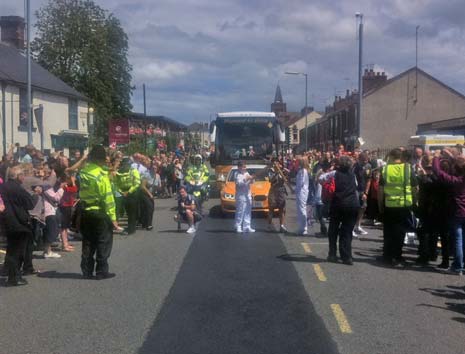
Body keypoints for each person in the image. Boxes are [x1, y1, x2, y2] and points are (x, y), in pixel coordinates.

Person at [79, 145, 119, 280]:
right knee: (103, 241)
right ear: (101, 159)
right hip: (100, 211)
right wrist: (113, 218)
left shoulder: (84, 172)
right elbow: (108, 197)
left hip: (85, 210)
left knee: (88, 241)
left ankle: (86, 270)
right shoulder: (101, 176)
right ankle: (101, 270)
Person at [379, 148, 417, 266]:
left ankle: (387, 255)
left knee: (388, 231)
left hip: (389, 205)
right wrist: (415, 201)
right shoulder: (408, 168)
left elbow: (380, 191)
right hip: (404, 205)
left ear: (391, 156)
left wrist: (380, 206)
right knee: (400, 232)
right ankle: (397, 256)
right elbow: (415, 188)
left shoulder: (385, 169)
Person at [319, 156, 360, 265]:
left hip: (338, 204)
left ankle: (332, 254)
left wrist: (327, 186)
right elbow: (355, 186)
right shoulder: (353, 175)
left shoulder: (334, 174)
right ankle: (347, 257)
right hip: (352, 204)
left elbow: (320, 178)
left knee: (333, 229)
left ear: (339, 164)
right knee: (347, 231)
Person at [0, 166, 35, 286]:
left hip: (7, 221)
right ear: (18, 176)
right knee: (18, 252)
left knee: (11, 249)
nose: (24, 177)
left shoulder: (3, 187)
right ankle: (14, 277)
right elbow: (30, 204)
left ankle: (10, 273)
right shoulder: (18, 189)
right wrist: (36, 194)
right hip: (19, 222)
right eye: (23, 175)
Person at [432, 149, 465, 274]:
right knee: (463, 240)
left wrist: (435, 157)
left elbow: (438, 172)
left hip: (457, 212)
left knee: (458, 240)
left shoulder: (455, 181)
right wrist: (452, 157)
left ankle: (458, 266)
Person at [116, 158, 141, 235]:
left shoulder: (134, 171)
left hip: (132, 192)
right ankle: (130, 227)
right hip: (123, 193)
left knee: (132, 212)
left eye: (129, 164)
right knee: (128, 211)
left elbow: (137, 183)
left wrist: (129, 191)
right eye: (126, 164)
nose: (127, 166)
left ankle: (131, 229)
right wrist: (121, 192)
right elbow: (116, 183)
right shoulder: (119, 172)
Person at [267, 160, 288, 233]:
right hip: (273, 191)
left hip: (281, 191)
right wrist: (276, 173)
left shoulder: (282, 171)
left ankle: (281, 226)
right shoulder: (271, 171)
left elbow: (286, 180)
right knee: (271, 209)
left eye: (278, 164)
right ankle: (269, 225)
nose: (276, 165)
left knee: (282, 209)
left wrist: (286, 172)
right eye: (275, 164)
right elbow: (270, 180)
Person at [234, 161, 255, 233]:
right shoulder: (236, 174)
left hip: (248, 194)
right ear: (239, 167)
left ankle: (247, 226)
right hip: (240, 195)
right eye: (243, 167)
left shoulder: (247, 173)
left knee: (248, 211)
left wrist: (252, 179)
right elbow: (239, 184)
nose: (244, 168)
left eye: (245, 167)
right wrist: (246, 179)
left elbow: (251, 182)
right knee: (240, 211)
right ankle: (238, 226)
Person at [295, 157, 310, 235]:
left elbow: (301, 183)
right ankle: (301, 227)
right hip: (300, 192)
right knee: (300, 210)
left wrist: (296, 190)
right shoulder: (301, 170)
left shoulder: (303, 171)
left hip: (302, 192)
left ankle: (304, 228)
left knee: (302, 210)